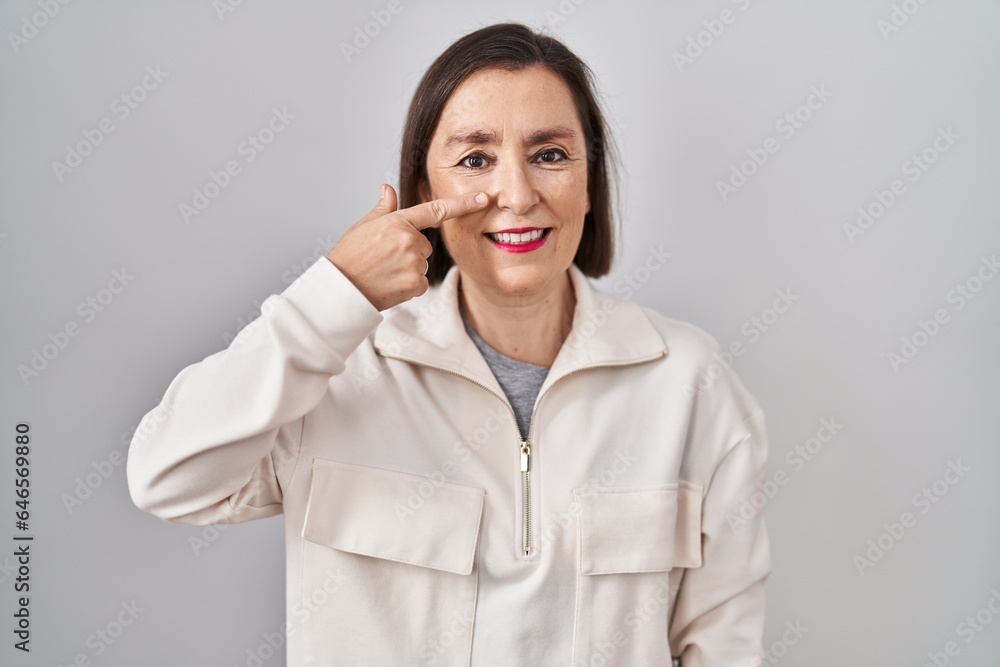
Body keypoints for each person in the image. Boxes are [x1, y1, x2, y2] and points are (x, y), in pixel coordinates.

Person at [127, 22, 771, 666]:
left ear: (589, 183)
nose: (517, 196)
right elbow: (167, 479)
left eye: (549, 154)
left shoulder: (692, 384)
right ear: (425, 191)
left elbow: (723, 650)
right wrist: (335, 294)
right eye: (475, 159)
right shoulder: (338, 374)